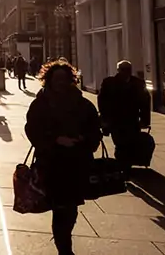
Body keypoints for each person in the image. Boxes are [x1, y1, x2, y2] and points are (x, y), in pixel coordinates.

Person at [25, 60, 101, 255]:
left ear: (70, 80)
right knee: (60, 208)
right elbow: (32, 129)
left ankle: (64, 242)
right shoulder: (40, 104)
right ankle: (64, 249)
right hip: (52, 163)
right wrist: (55, 140)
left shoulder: (82, 103)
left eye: (64, 78)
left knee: (71, 208)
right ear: (48, 80)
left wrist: (83, 139)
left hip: (77, 163)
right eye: (56, 78)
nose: (60, 82)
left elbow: (94, 129)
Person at [99, 60, 151, 172]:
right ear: (118, 70)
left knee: (130, 143)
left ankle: (125, 166)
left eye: (127, 70)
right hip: (115, 120)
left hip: (132, 120)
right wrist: (104, 119)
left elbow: (145, 102)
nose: (125, 72)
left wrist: (145, 120)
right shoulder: (109, 83)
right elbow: (102, 101)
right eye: (123, 70)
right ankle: (123, 167)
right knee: (120, 144)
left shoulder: (138, 83)